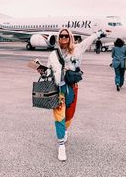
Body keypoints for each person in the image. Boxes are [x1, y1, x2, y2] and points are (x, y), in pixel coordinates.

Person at [41, 28, 106, 161]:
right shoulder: (53, 54)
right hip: (57, 89)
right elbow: (48, 70)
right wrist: (42, 71)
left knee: (69, 115)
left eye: (66, 36)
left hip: (72, 87)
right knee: (59, 116)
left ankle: (64, 131)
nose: (63, 38)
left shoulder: (77, 49)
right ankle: (61, 145)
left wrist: (98, 34)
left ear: (70, 37)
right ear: (58, 38)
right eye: (61, 36)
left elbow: (88, 41)